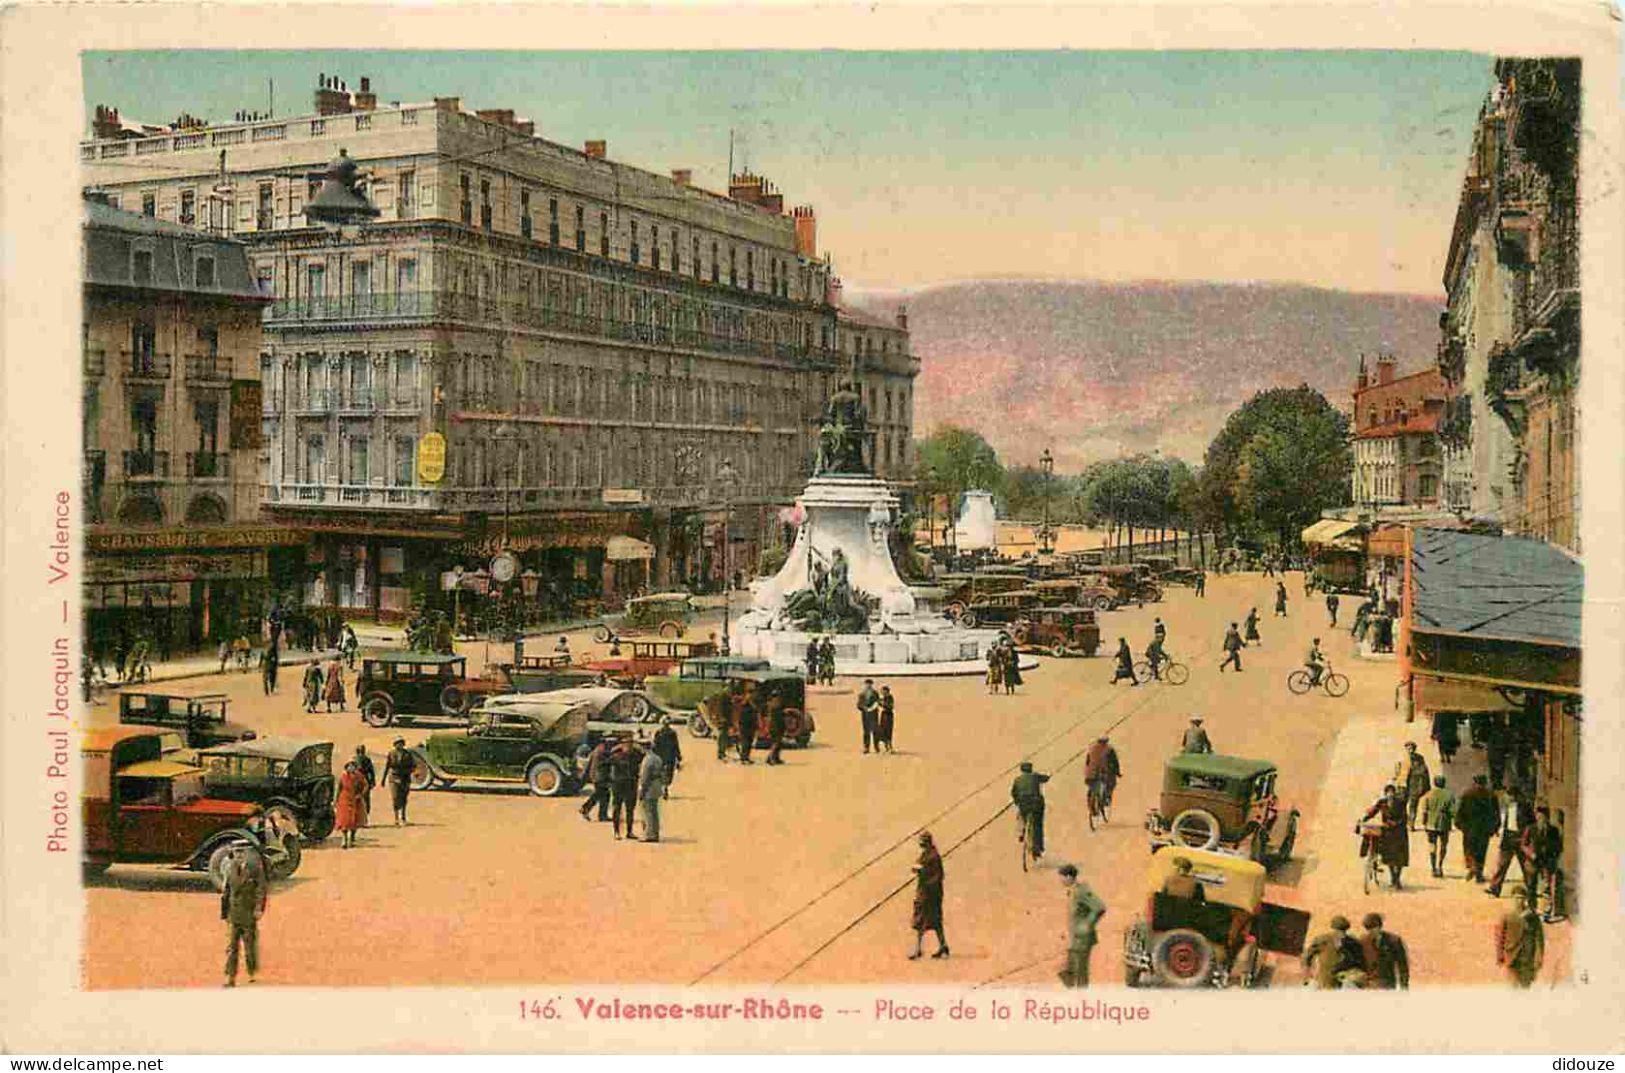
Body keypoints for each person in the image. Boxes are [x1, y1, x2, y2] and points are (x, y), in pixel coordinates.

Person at [221, 843, 267, 987]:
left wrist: (259, 908)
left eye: (241, 852)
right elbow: (226, 892)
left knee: (249, 946)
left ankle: (252, 973)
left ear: (246, 853)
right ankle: (230, 976)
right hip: (234, 914)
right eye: (236, 852)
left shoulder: (254, 868)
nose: (239, 855)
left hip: (248, 912)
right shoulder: (230, 869)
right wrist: (224, 913)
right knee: (232, 947)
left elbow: (261, 889)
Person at [1058, 863, 1106, 988]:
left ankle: (1081, 998)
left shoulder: (1081, 891)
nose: (1061, 880)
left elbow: (1099, 907)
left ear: (1069, 877)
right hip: (1074, 938)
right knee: (1067, 970)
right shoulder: (1073, 891)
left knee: (1080, 972)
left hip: (1083, 939)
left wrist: (1087, 924)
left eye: (1062, 877)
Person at [1485, 791, 1536, 899]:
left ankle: (1531, 890)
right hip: (1508, 837)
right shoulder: (1507, 808)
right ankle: (1495, 888)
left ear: (1515, 796)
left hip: (1521, 837)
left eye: (1509, 795)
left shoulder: (1525, 807)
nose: (1507, 797)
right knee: (1502, 864)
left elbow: (1531, 823)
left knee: (1526, 866)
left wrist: (1527, 838)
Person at [1360, 783, 1410, 890]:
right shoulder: (1382, 803)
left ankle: (1397, 879)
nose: (1390, 795)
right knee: (1389, 857)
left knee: (1400, 858)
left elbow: (1405, 818)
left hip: (1399, 833)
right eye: (1388, 793)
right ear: (1386, 794)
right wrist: (1363, 819)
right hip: (1387, 832)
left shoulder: (1400, 803)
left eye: (1392, 793)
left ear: (1394, 793)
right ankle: (1393, 878)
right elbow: (1372, 812)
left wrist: (1396, 823)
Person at [908, 832, 948, 960]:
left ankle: (919, 949)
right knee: (931, 922)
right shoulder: (927, 854)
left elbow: (938, 875)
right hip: (926, 893)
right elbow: (920, 864)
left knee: (924, 921)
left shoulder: (933, 856)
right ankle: (942, 946)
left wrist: (923, 873)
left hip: (930, 895)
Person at [1455, 774, 1499, 883]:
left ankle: (1472, 868)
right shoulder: (1491, 795)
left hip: (1469, 828)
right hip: (1484, 828)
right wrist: (1495, 827)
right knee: (1481, 851)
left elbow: (1460, 810)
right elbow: (1496, 813)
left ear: (1475, 782)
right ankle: (1478, 872)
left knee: (1469, 849)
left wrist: (1459, 824)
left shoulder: (1467, 794)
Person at [1496, 887, 1544, 987]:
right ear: (1512, 899)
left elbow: (1539, 939)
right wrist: (1500, 955)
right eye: (1516, 898)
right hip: (1511, 956)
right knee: (1512, 986)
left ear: (1525, 899)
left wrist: (1538, 957)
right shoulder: (1507, 916)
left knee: (1526, 986)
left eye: (1522, 898)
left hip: (1527, 957)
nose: (1519, 901)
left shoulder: (1532, 917)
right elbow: (1500, 937)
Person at [1303, 915, 1364, 990]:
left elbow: (1308, 955)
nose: (1341, 935)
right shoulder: (1324, 940)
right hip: (1333, 978)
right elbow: (1308, 956)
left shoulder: (1352, 942)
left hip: (1336, 978)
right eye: (1339, 931)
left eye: (1343, 932)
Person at [1531, 807, 1565, 923]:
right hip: (1537, 862)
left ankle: (1547, 911)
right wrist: (1532, 854)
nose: (1539, 819)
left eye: (1542, 817)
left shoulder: (1553, 831)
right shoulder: (1533, 829)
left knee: (1548, 887)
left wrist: (1553, 855)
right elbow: (1525, 844)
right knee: (1540, 887)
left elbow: (1558, 846)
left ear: (1546, 818)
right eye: (1538, 817)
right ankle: (1540, 910)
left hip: (1549, 862)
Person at [1359, 913, 1409, 989]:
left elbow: (1402, 965)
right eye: (1368, 929)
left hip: (1388, 983)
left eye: (1373, 928)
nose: (1371, 931)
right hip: (1369, 984)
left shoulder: (1394, 941)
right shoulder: (1363, 941)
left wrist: (1404, 986)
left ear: (1379, 926)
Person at [1010, 761, 1050, 858]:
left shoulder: (1017, 780)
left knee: (1021, 815)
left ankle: (1021, 831)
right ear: (1031, 769)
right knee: (1038, 824)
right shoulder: (1035, 776)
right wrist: (1048, 776)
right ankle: (1038, 847)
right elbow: (1045, 779)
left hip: (1023, 805)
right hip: (1036, 804)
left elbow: (1013, 793)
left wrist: (1017, 801)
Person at [1419, 775, 1456, 877]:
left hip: (1431, 824)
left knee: (1432, 845)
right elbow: (1453, 811)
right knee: (1443, 846)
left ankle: (1433, 867)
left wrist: (1424, 822)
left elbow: (1424, 811)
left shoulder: (1428, 795)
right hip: (1444, 824)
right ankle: (1440, 865)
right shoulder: (1449, 795)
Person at [608, 737, 642, 841]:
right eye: (626, 744)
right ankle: (616, 832)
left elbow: (644, 755)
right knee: (617, 809)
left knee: (630, 809)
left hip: (631, 785)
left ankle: (629, 831)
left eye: (631, 744)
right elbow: (605, 765)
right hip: (618, 785)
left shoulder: (636, 755)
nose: (629, 746)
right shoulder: (616, 756)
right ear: (622, 745)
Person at [1395, 741, 1432, 829]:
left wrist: (1425, 785)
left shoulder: (1419, 759)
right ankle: (1402, 822)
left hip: (1414, 785)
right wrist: (1398, 781)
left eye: (1412, 749)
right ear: (1406, 749)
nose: (1410, 751)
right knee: (1402, 804)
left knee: (1413, 805)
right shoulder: (1402, 759)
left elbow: (1424, 772)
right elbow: (1397, 771)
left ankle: (1411, 823)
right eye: (1408, 749)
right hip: (1403, 786)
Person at [334, 759, 368, 848]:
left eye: (353, 766)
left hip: (356, 800)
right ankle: (344, 839)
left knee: (355, 820)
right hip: (344, 799)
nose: (351, 768)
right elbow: (338, 789)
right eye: (349, 766)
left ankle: (352, 839)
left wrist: (360, 795)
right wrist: (336, 800)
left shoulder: (359, 776)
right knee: (344, 819)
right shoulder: (343, 777)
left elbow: (366, 786)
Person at [578, 738, 613, 821]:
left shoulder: (596, 750)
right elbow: (607, 762)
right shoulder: (602, 751)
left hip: (596, 777)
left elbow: (589, 765)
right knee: (601, 795)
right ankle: (586, 809)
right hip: (600, 777)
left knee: (601, 795)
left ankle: (601, 814)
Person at [382, 737, 415, 826]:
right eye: (397, 743)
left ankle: (403, 817)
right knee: (395, 798)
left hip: (405, 778)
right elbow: (387, 766)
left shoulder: (408, 754)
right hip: (394, 778)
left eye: (400, 743)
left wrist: (409, 772)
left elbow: (413, 766)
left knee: (404, 798)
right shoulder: (391, 753)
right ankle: (396, 818)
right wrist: (383, 779)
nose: (399, 745)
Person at [637, 747, 666, 843]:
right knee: (654, 812)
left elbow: (645, 777)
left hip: (649, 788)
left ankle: (649, 834)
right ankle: (655, 832)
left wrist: (641, 790)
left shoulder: (647, 760)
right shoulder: (658, 758)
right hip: (657, 786)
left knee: (647, 811)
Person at [1082, 736, 1120, 808]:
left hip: (1090, 774)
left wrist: (1087, 771)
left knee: (1091, 786)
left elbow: (1087, 762)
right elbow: (1115, 762)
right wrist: (1117, 772)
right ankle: (1106, 799)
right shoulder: (1109, 749)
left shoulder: (1091, 748)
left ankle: (1091, 800)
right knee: (1111, 783)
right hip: (1103, 773)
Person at [652, 716, 682, 796]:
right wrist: (678, 756)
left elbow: (654, 745)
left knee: (664, 773)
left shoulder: (663, 733)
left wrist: (678, 756)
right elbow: (676, 745)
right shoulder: (670, 733)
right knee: (667, 773)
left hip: (664, 756)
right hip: (667, 756)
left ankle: (664, 787)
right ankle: (664, 787)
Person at [712, 683, 737, 762]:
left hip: (727, 719)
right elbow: (719, 708)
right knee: (722, 736)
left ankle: (723, 752)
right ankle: (721, 753)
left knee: (725, 736)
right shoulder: (722, 697)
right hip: (723, 720)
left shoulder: (727, 697)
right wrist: (721, 718)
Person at [353, 744, 377, 826]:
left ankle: (364, 819)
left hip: (364, 781)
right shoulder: (354, 760)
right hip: (356, 782)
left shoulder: (366, 760)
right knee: (357, 800)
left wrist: (372, 781)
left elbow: (371, 771)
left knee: (365, 800)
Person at [857, 678, 881, 753]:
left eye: (870, 684)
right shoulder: (862, 694)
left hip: (874, 714)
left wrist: (873, 707)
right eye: (867, 684)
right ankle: (866, 747)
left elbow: (878, 702)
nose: (868, 686)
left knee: (875, 731)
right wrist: (865, 708)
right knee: (866, 731)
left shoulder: (875, 693)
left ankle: (876, 747)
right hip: (865, 714)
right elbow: (859, 704)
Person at [735, 689, 759, 765]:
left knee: (749, 742)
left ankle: (746, 757)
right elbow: (743, 717)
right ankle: (744, 758)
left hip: (750, 726)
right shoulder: (745, 706)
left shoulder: (752, 705)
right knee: (745, 742)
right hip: (745, 726)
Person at [764, 695, 788, 766]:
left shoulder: (778, 707)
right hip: (775, 727)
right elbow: (770, 718)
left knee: (779, 743)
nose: (778, 700)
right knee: (776, 743)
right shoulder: (773, 708)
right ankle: (771, 758)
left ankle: (774, 758)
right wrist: (768, 727)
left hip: (779, 726)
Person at [877, 686, 896, 753]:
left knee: (888, 731)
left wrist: (882, 703)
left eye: (883, 691)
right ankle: (886, 747)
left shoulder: (890, 697)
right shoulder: (884, 698)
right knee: (883, 730)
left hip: (888, 715)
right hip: (884, 714)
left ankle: (890, 747)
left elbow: (890, 706)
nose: (882, 692)